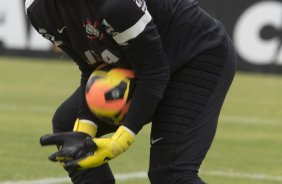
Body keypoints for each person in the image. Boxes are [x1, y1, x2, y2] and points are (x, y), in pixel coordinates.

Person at [25, 0, 236, 183]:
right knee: (69, 128)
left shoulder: (117, 5)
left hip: (197, 56)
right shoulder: (38, 10)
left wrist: (121, 140)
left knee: (171, 173)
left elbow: (153, 73)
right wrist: (84, 130)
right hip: (141, 63)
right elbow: (91, 66)